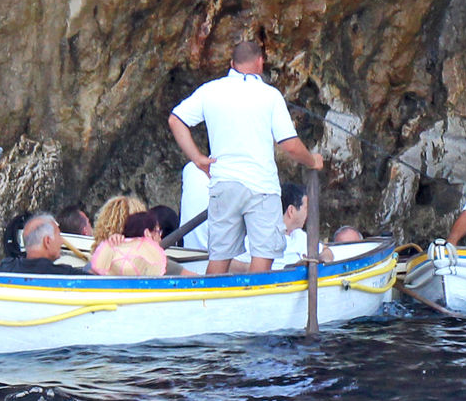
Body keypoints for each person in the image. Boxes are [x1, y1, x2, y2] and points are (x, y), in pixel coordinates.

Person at [168, 29, 326, 275]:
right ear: (260, 62)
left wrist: (198, 158)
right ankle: (255, 303)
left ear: (232, 65)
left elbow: (176, 120)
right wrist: (312, 161)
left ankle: (210, 301)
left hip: (224, 184)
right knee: (263, 257)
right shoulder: (270, 96)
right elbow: (290, 145)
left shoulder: (210, 90)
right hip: (261, 187)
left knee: (220, 256)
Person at [87, 207, 170, 277]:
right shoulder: (162, 264)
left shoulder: (113, 253)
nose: (160, 238)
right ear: (148, 234)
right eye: (158, 232)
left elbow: (89, 272)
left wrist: (110, 247)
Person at [0, 213, 72, 273]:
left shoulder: (5, 268)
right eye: (58, 236)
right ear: (47, 241)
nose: (62, 241)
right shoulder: (67, 274)